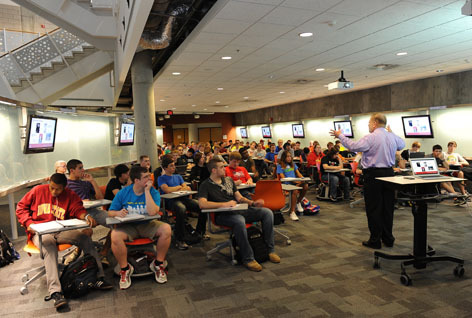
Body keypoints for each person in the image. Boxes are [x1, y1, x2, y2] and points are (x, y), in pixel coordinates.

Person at [16, 173, 112, 309]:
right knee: (49, 247)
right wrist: (28, 223)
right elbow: (21, 208)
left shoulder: (70, 194)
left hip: (61, 229)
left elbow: (77, 209)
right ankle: (56, 292)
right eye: (52, 188)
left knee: (85, 239)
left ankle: (99, 277)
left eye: (58, 189)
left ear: (65, 187)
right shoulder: (38, 191)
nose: (54, 192)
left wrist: (86, 216)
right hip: (41, 231)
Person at [330, 113, 405, 249]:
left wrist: (340, 135)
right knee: (388, 208)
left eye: (369, 123)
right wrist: (392, 133)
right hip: (389, 174)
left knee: (374, 208)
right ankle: (388, 238)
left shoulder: (371, 137)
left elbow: (353, 146)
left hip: (374, 175)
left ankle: (375, 240)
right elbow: (402, 145)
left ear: (375, 122)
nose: (369, 126)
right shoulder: (392, 137)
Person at [198, 158, 280, 271]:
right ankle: (248, 258)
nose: (224, 169)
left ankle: (270, 250)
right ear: (214, 170)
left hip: (238, 210)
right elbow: (202, 204)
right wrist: (224, 205)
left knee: (267, 213)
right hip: (222, 215)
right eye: (221, 167)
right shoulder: (205, 184)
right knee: (239, 220)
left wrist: (252, 203)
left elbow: (239, 197)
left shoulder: (228, 180)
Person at [109, 166, 171, 289]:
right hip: (128, 226)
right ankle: (125, 269)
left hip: (148, 225)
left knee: (166, 229)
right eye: (145, 177)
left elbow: (153, 212)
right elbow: (111, 212)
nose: (149, 179)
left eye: (149, 176)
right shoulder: (124, 192)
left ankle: (158, 264)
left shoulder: (153, 192)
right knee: (115, 235)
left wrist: (147, 191)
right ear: (136, 180)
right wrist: (118, 213)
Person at [277, 151, 308, 221]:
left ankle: (298, 202)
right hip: (286, 183)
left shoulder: (293, 164)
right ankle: (292, 212)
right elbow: (282, 177)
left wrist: (303, 179)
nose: (289, 158)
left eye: (290, 156)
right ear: (284, 157)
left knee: (305, 186)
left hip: (295, 182)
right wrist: (294, 181)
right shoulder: (280, 166)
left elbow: (298, 173)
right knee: (295, 190)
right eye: (287, 156)